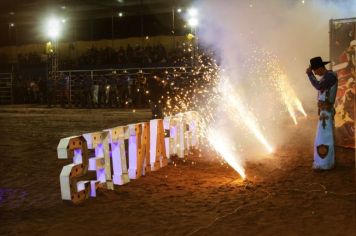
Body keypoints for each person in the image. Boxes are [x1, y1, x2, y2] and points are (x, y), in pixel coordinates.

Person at [306, 56, 338, 170]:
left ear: (320, 68)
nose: (315, 73)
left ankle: (325, 163)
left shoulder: (330, 76)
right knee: (322, 137)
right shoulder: (327, 76)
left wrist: (310, 75)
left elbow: (319, 86)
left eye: (315, 71)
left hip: (327, 112)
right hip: (325, 112)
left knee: (325, 137)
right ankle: (324, 162)